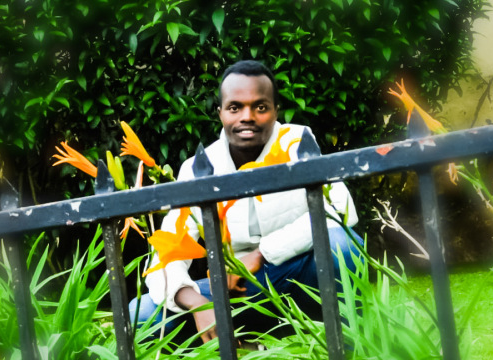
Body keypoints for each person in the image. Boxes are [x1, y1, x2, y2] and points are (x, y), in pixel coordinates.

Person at [130, 60, 361, 343]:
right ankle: (246, 348)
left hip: (300, 276)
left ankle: (350, 349)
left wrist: (261, 254)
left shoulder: (297, 143)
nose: (247, 117)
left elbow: (341, 210)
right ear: (220, 113)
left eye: (260, 107)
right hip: (235, 291)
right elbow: (163, 258)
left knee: (340, 245)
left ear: (276, 111)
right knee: (140, 315)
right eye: (235, 107)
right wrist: (196, 303)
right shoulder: (198, 168)